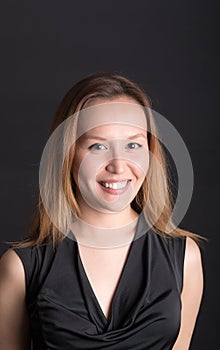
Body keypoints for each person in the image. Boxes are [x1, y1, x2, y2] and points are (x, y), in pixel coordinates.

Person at [0, 72, 205, 349]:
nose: (118, 166)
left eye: (133, 144)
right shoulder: (20, 268)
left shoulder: (184, 257)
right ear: (67, 155)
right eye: (98, 146)